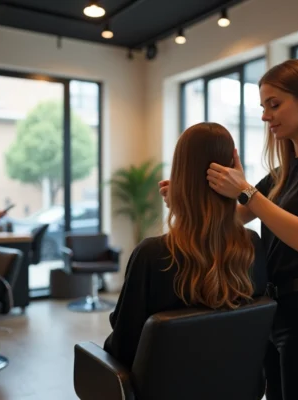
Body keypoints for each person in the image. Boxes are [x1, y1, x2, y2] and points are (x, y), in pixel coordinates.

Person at [160, 59, 298, 399]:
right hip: (272, 310)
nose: (265, 116)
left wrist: (248, 191)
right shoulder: (281, 174)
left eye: (274, 104)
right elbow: (233, 219)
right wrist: (184, 199)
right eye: (263, 107)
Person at [104, 122, 268, 371]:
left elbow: (123, 348)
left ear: (179, 175)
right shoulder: (251, 246)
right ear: (234, 172)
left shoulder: (152, 255)